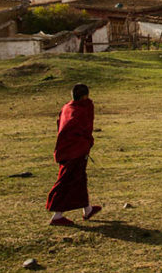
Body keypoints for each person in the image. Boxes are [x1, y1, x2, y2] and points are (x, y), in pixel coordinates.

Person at [46, 83, 102, 226]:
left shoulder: (66, 108)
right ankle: (57, 216)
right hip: (75, 151)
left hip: (66, 148)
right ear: (84, 97)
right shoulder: (82, 110)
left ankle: (87, 209)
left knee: (80, 179)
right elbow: (84, 129)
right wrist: (87, 143)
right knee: (67, 180)